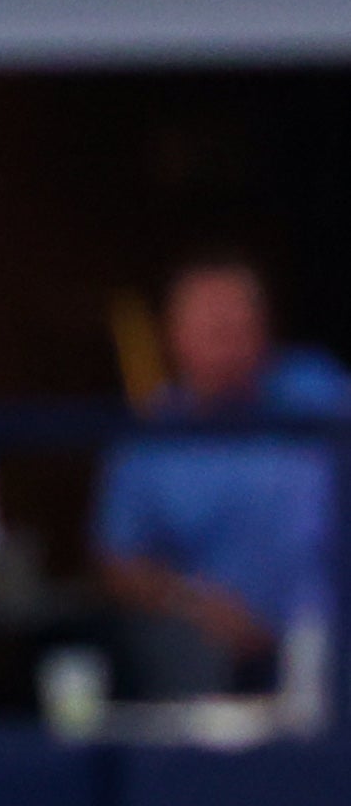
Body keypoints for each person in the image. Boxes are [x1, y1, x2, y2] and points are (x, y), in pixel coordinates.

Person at [93, 254, 348, 699]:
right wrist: (194, 606)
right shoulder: (151, 439)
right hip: (223, 649)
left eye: (242, 325)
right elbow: (120, 563)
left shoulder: (317, 389)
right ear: (176, 337)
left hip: (332, 631)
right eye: (215, 329)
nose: (231, 341)